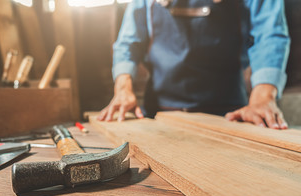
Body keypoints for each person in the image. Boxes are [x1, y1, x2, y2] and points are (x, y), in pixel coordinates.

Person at [97, 0, 290, 130]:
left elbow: (270, 34)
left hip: (229, 114)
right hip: (158, 114)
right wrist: (123, 88)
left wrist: (263, 96)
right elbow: (128, 43)